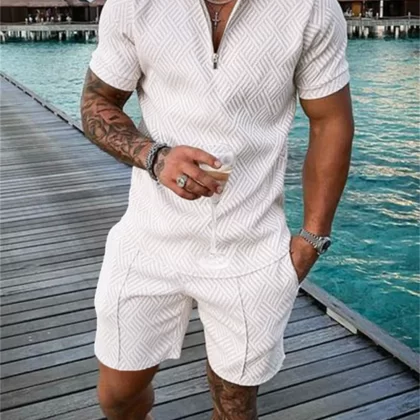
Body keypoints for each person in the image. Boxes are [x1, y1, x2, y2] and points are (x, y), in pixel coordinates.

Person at [80, 0, 354, 418]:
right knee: (117, 397)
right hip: (148, 238)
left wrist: (312, 238)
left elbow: (330, 120)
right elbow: (98, 101)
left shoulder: (310, 7)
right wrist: (155, 157)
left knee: (234, 406)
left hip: (251, 248)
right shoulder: (134, 4)